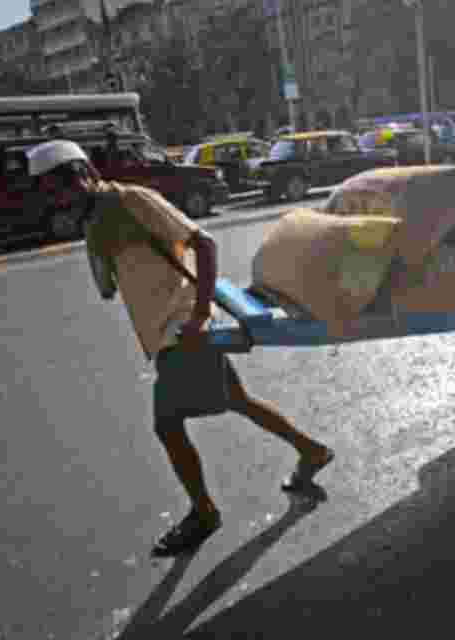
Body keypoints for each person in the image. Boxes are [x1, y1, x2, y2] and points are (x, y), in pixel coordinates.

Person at [26, 140, 335, 557]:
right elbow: (109, 285)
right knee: (239, 401)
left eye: (58, 189)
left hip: (182, 330)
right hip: (166, 332)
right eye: (48, 194)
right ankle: (312, 450)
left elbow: (203, 244)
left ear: (82, 176)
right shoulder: (95, 218)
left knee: (167, 425)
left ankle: (203, 511)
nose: (55, 201)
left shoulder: (133, 200)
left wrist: (200, 315)